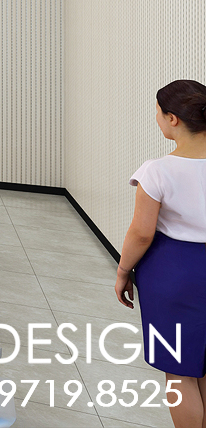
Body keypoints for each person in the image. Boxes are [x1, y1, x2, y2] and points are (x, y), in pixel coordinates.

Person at [117, 80, 206, 426]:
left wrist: (123, 271)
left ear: (172, 119)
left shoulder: (157, 171)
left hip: (174, 275)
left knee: (178, 371)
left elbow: (141, 233)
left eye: (157, 113)